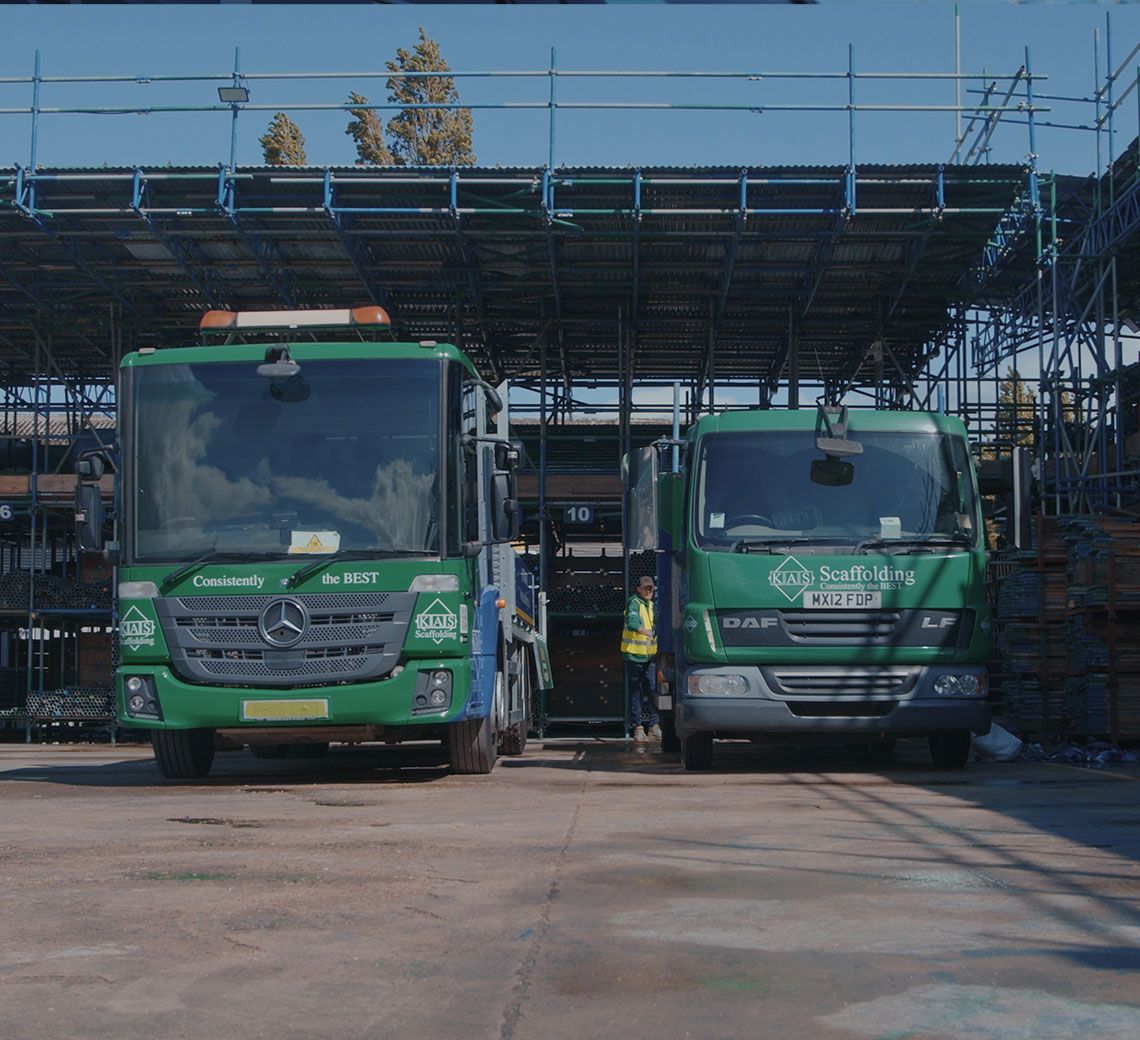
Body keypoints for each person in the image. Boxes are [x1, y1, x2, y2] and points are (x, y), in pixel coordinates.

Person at [620, 573, 660, 742]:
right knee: (636, 690)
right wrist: (649, 632)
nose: (649, 590)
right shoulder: (634, 603)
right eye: (646, 588)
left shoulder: (651, 605)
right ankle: (638, 727)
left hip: (649, 657)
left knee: (653, 689)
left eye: (651, 588)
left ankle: (654, 726)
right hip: (634, 655)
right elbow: (632, 623)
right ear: (638, 589)